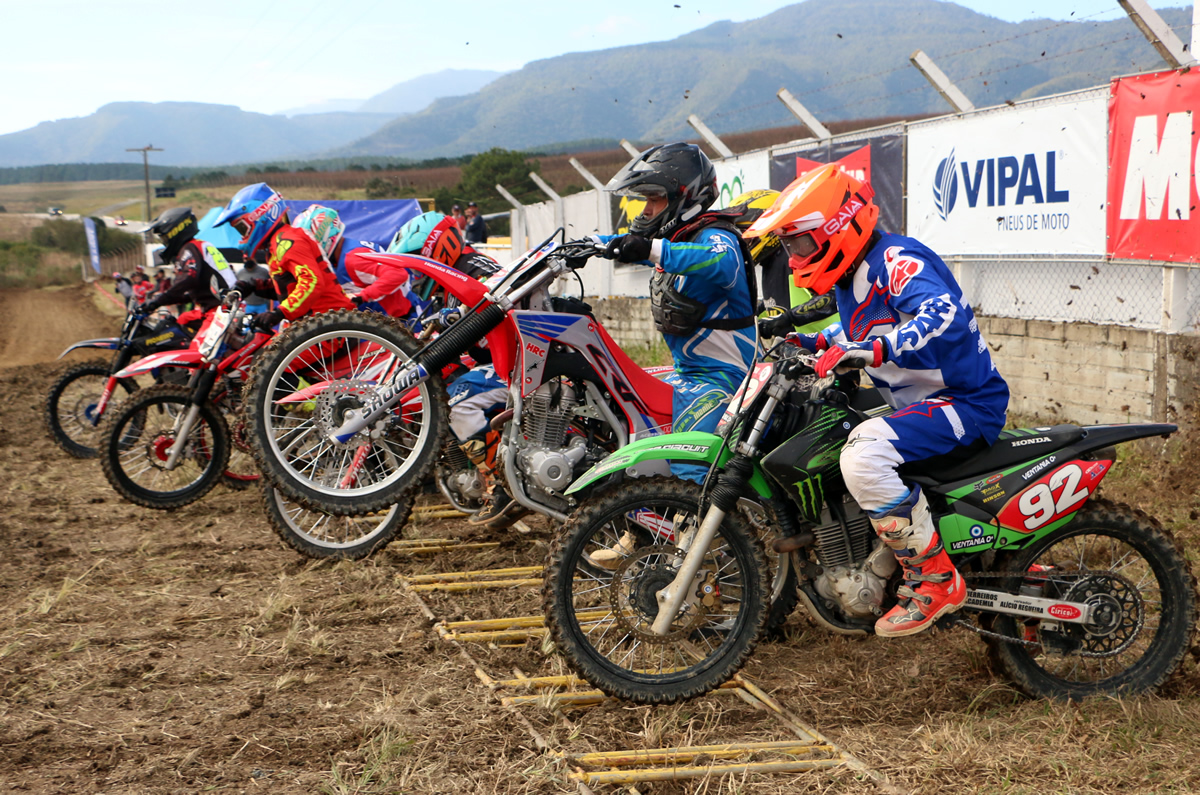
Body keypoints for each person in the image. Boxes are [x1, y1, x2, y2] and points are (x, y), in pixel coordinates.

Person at [743, 163, 1010, 637]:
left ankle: (936, 579)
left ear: (836, 228)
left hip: (966, 403)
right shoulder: (856, 278)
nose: (794, 254)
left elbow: (941, 310)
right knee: (837, 431)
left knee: (864, 453)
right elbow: (855, 329)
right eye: (787, 246)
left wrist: (877, 349)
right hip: (924, 404)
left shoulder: (897, 260)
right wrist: (806, 343)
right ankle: (879, 558)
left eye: (798, 242)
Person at [589, 143, 756, 564]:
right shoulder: (674, 237)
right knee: (621, 407)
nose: (646, 210)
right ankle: (641, 527)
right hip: (688, 369)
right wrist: (593, 244)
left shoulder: (715, 236)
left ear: (686, 196)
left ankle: (697, 560)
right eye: (644, 201)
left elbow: (724, 265)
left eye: (654, 199)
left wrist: (647, 249)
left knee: (688, 462)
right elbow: (628, 244)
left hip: (725, 377)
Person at [214, 184, 354, 333]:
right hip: (316, 323)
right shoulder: (277, 244)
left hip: (329, 325)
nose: (242, 236)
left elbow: (311, 281)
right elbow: (289, 286)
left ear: (259, 216)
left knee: (272, 356)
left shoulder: (289, 242)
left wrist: (279, 313)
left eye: (242, 228)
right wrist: (253, 286)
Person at [138, 208, 238, 339]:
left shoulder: (190, 248)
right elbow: (192, 290)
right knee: (181, 321)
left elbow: (188, 278)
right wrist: (161, 301)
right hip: (217, 306)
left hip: (222, 309)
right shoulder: (197, 246)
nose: (164, 242)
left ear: (175, 231)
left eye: (164, 237)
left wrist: (158, 300)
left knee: (198, 353)